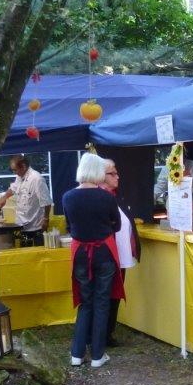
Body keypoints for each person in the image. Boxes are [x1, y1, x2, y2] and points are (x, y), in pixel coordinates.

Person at [62, 153, 123, 368]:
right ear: (98, 172)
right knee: (102, 301)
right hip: (104, 252)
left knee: (85, 302)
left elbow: (69, 227)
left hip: (80, 253)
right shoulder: (106, 197)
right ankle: (97, 355)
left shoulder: (67, 197)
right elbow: (117, 226)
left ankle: (77, 354)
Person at [101, 158, 140, 347]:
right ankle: (100, 334)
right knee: (105, 294)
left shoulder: (117, 196)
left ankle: (108, 332)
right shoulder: (100, 198)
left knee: (115, 294)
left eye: (116, 173)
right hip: (107, 254)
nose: (117, 176)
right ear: (101, 176)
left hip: (121, 255)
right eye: (112, 173)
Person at [0, 155, 52, 246]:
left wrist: (46, 219)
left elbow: (46, 202)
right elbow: (13, 188)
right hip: (21, 224)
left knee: (36, 252)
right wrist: (4, 197)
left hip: (35, 226)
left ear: (23, 166)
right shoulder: (20, 176)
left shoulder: (37, 179)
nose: (14, 173)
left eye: (15, 170)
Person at [155, 156, 193, 228]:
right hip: (173, 208)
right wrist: (153, 198)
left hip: (192, 206)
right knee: (174, 231)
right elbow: (159, 187)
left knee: (192, 232)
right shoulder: (167, 168)